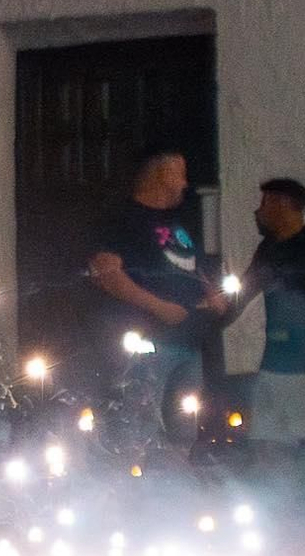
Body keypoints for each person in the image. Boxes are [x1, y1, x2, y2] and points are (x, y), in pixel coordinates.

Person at [89, 149, 227, 441]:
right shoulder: (124, 217)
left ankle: (177, 481)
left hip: (188, 342)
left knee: (185, 428)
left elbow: (191, 264)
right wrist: (158, 306)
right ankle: (135, 481)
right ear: (162, 173)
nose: (185, 184)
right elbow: (106, 273)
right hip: (149, 344)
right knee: (140, 427)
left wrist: (211, 293)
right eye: (180, 174)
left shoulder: (176, 221)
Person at [225, 179, 305, 448]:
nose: (257, 212)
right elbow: (244, 292)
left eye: (264, 203)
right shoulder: (267, 249)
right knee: (266, 441)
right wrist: (212, 314)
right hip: (273, 362)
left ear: (284, 205)